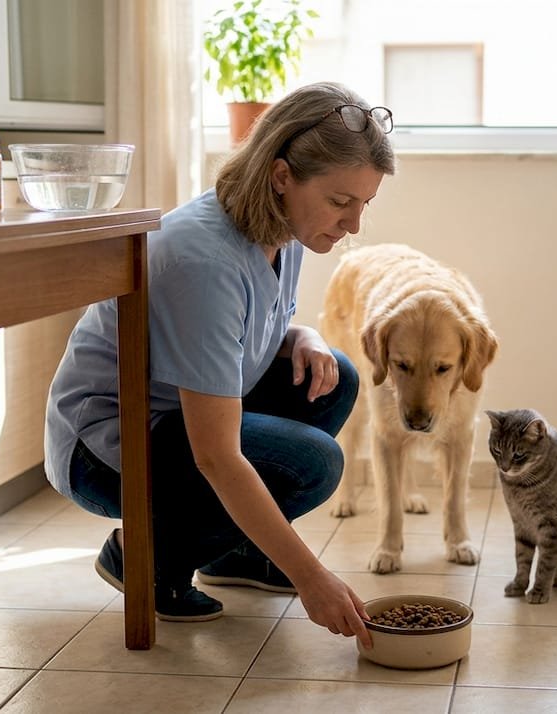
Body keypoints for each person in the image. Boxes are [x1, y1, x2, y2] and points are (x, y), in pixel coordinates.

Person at [43, 82, 395, 648]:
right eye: (340, 202)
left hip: (174, 417)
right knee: (314, 462)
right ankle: (143, 557)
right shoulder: (204, 258)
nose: (353, 224)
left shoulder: (287, 228)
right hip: (104, 448)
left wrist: (301, 335)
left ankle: (238, 552)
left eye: (363, 204)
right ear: (282, 177)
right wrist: (313, 579)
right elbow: (215, 454)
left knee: (333, 377)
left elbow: (249, 330)